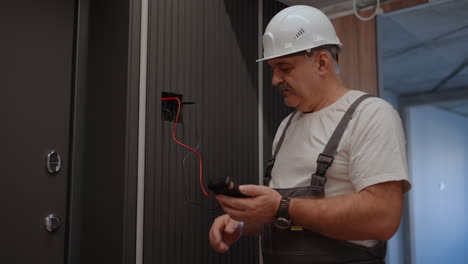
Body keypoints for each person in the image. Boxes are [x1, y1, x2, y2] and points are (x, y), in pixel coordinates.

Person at [209, 5, 411, 264]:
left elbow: (383, 217)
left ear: (322, 62)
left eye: (285, 68)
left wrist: (282, 206)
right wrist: (241, 221)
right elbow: (291, 221)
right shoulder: (286, 127)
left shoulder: (370, 115)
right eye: (273, 69)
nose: (274, 80)